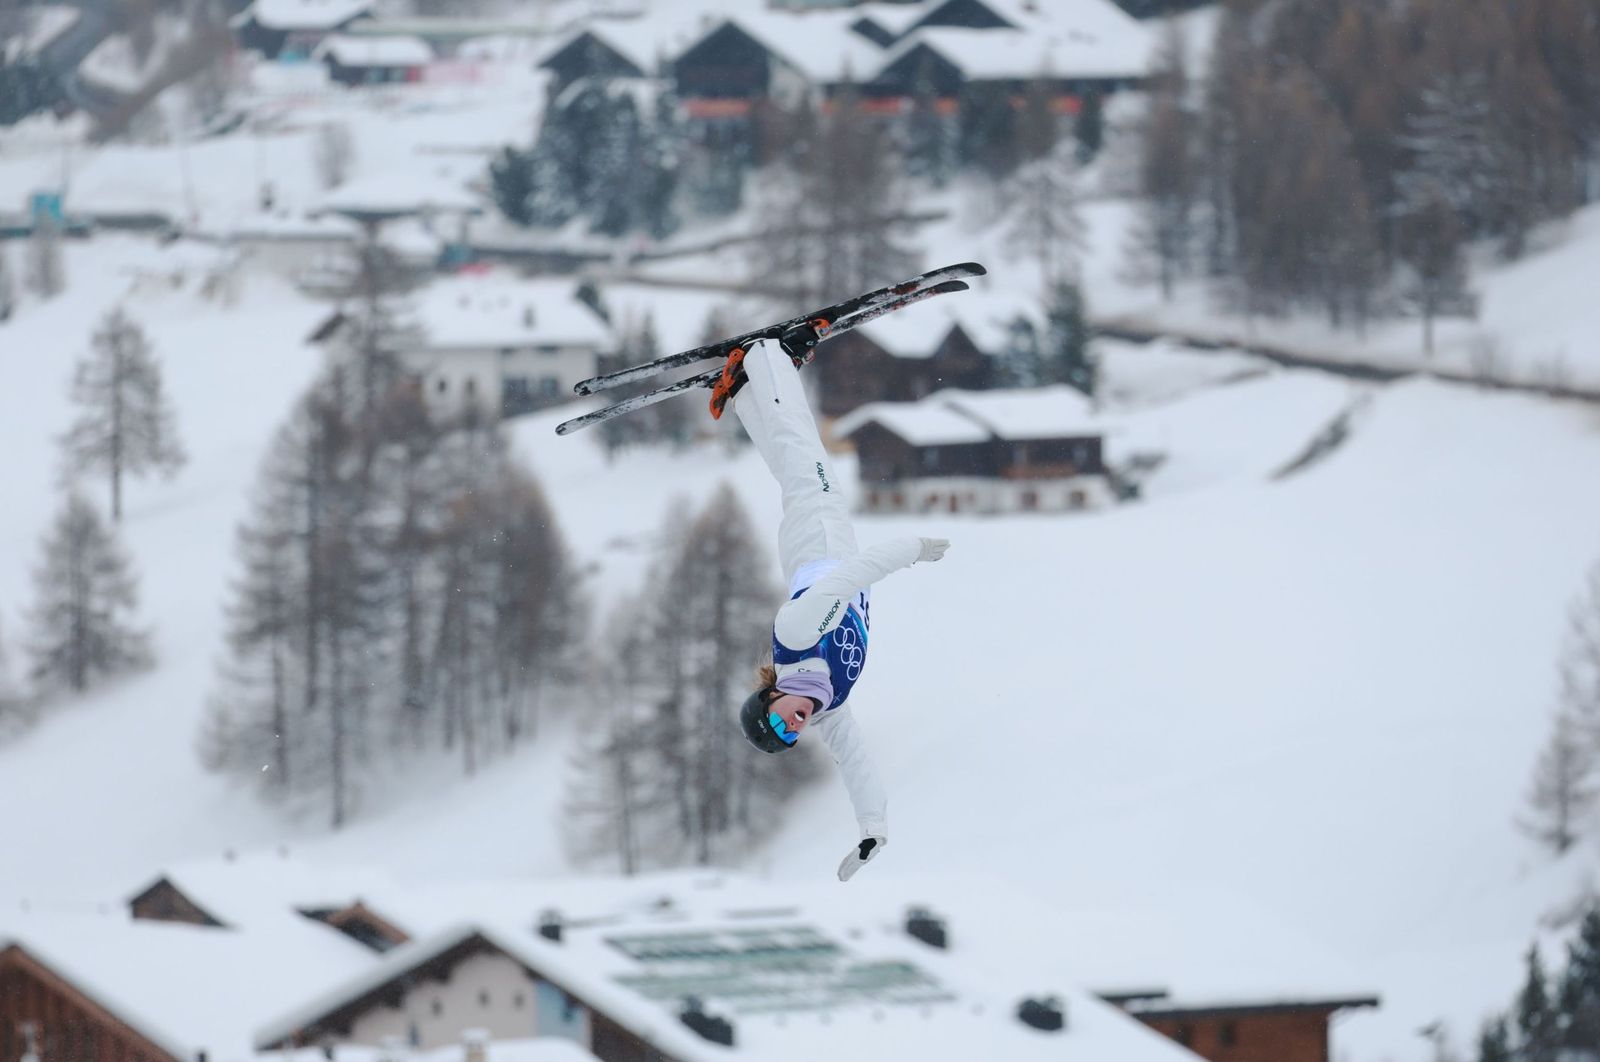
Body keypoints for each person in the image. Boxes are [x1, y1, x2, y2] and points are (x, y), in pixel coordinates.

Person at [720, 333, 950, 882]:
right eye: (792, 737)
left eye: (781, 723)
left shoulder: (797, 637)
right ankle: (746, 389)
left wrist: (911, 550)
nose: (797, 727)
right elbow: (857, 764)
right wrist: (874, 828)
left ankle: (768, 356)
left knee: (803, 451)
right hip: (822, 543)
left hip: (818, 539)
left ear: (771, 696)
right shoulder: (827, 702)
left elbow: (849, 578)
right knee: (793, 461)